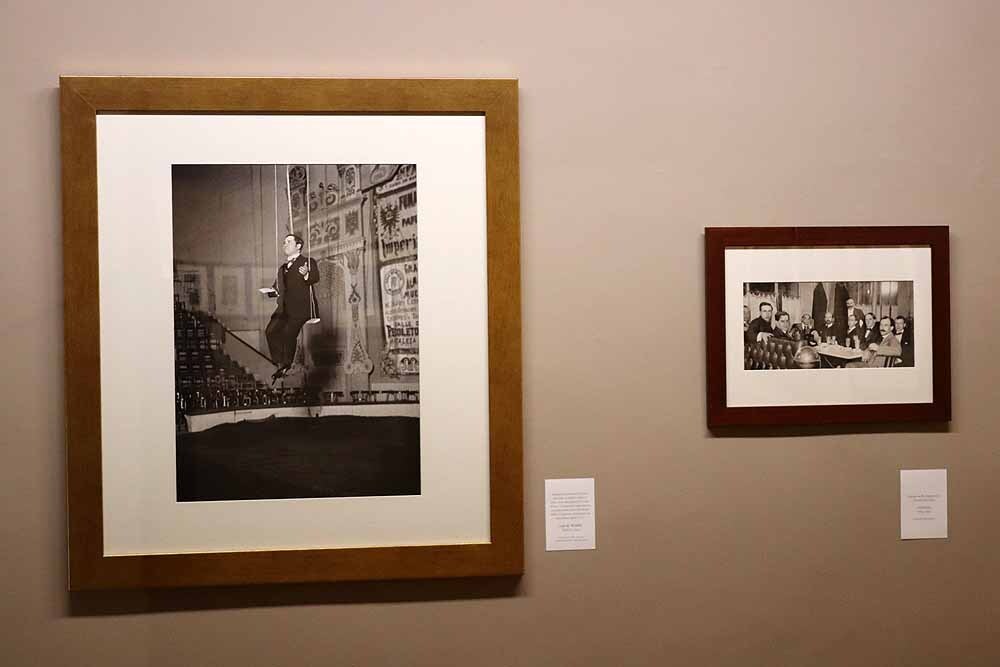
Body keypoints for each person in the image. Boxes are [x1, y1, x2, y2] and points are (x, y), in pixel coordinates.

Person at [265, 234, 320, 380]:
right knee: (270, 331)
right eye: (284, 242)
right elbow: (277, 287)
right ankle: (279, 362)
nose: (285, 244)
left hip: (300, 308)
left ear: (298, 246)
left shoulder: (308, 261)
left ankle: (286, 364)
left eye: (289, 241)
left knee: (288, 333)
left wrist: (306, 274)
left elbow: (315, 277)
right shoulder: (282, 268)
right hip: (283, 309)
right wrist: (272, 292)